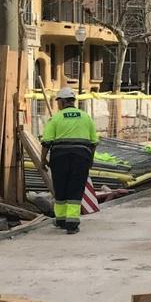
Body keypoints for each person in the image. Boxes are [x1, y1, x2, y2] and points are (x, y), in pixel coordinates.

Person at [41, 87, 98, 235]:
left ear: (63, 101)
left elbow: (47, 142)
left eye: (58, 101)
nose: (57, 104)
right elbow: (93, 143)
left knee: (60, 188)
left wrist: (42, 160)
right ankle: (72, 224)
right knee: (75, 188)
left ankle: (61, 220)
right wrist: (90, 160)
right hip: (81, 158)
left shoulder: (56, 118)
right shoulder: (86, 117)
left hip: (59, 158)